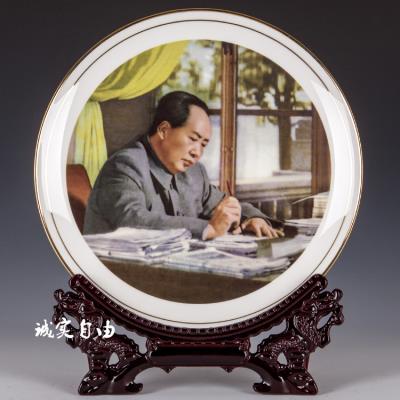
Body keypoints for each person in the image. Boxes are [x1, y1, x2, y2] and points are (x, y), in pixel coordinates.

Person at [83, 91, 283, 240]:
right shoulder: (125, 165)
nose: (197, 152)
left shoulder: (194, 172)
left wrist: (252, 218)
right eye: (193, 139)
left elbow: (224, 204)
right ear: (163, 130)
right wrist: (209, 228)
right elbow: (134, 221)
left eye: (203, 144)